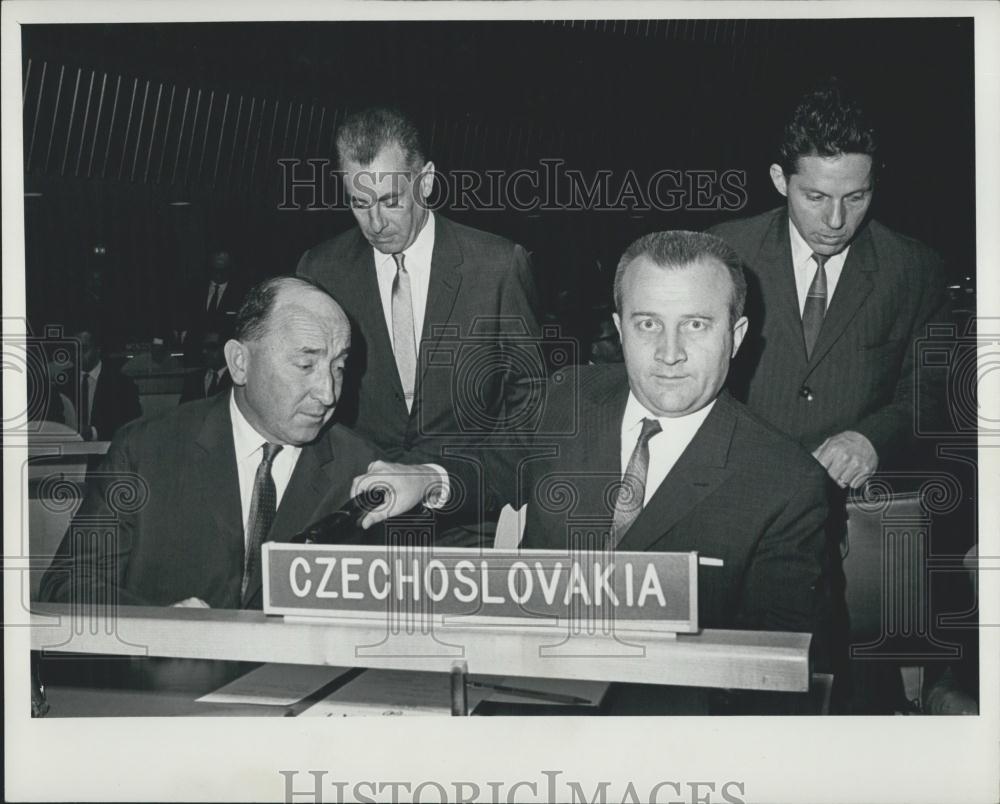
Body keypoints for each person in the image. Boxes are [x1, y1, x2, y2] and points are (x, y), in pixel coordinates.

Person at [39, 277, 450, 610]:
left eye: (338, 367)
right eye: (306, 365)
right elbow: (67, 584)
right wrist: (158, 630)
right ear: (240, 362)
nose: (328, 393)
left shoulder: (362, 469)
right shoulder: (145, 451)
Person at [509, 231, 828, 637]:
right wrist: (428, 478)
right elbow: (496, 468)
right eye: (647, 324)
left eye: (695, 324)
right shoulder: (567, 397)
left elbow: (779, 665)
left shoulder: (785, 483)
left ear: (737, 336)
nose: (669, 352)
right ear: (619, 330)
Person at [709, 81, 948, 488]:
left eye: (856, 198)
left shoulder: (915, 268)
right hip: (735, 485)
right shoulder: (723, 253)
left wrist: (873, 438)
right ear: (780, 181)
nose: (836, 221)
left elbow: (933, 390)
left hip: (854, 503)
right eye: (816, 197)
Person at [296, 107, 542, 474]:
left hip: (464, 508)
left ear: (424, 181)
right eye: (360, 203)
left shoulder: (497, 266)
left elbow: (529, 398)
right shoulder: (321, 269)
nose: (375, 223)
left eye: (390, 201)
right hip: (355, 503)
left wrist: (452, 481)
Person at [64, 322, 142, 442]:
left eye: (84, 349)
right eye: (73, 349)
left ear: (98, 349)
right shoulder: (62, 382)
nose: (77, 355)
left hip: (108, 454)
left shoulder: (122, 384)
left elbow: (131, 425)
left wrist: (92, 433)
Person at [178, 329, 231, 404]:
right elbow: (182, 409)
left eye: (211, 347)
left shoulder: (234, 380)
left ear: (225, 349)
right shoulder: (193, 379)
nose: (205, 351)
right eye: (204, 347)